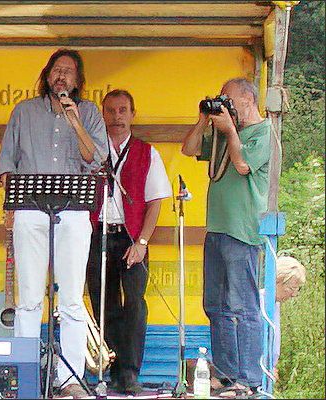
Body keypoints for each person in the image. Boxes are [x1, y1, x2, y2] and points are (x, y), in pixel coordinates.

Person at [0, 49, 107, 398]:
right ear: (47, 75)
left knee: (71, 299)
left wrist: (75, 122)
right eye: (57, 70)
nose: (62, 76)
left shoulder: (89, 112)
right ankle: (26, 374)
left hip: (73, 213)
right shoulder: (24, 111)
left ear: (78, 80)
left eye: (69, 72)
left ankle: (70, 378)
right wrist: (11, 206)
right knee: (29, 298)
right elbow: (6, 163)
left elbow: (96, 159)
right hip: (29, 210)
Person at [181, 77, 271, 397]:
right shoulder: (222, 134)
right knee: (215, 305)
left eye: (229, 99)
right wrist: (203, 120)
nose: (226, 105)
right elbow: (188, 149)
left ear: (248, 99)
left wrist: (231, 130)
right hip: (216, 228)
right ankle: (227, 373)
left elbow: (243, 164)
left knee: (243, 306)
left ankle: (249, 379)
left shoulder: (264, 132)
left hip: (242, 231)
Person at [86, 90, 171, 395]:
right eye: (111, 111)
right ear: (103, 115)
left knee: (134, 304)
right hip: (97, 233)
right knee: (103, 303)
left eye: (123, 110)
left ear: (133, 114)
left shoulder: (147, 152)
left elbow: (155, 202)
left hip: (132, 236)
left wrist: (143, 242)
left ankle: (130, 373)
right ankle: (110, 370)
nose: (117, 117)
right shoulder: (92, 151)